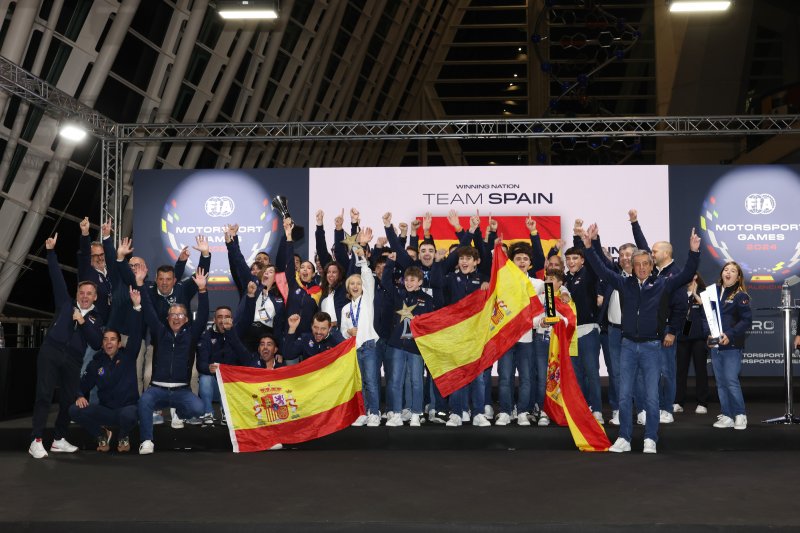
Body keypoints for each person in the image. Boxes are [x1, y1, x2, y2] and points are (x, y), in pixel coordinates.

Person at [582, 224, 700, 454]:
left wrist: (694, 252)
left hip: (652, 347)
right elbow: (601, 270)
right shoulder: (624, 283)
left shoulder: (662, 284)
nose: (642, 267)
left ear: (651, 265)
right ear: (632, 267)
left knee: (652, 397)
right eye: (638, 264)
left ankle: (650, 438)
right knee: (625, 395)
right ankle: (624, 438)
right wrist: (588, 247)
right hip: (627, 345)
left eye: (646, 263)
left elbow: (687, 274)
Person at [29, 233, 104, 459]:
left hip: (73, 359)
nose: (84, 296)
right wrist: (51, 252)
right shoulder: (65, 302)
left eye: (89, 294)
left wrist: (83, 322)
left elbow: (96, 343)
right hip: (51, 351)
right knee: (44, 395)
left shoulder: (96, 318)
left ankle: (58, 439)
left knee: (68, 400)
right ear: (77, 294)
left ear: (95, 297)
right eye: (81, 292)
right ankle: (36, 440)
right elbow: (56, 276)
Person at [136, 268, 209, 455]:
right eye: (173, 315)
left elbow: (202, 316)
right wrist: (140, 284)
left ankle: (179, 412)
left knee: (199, 408)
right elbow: (149, 310)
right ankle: (146, 440)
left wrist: (202, 290)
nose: (176, 318)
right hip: (158, 389)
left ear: (186, 319)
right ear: (167, 318)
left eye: (180, 315)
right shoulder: (160, 332)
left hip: (181, 391)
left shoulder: (191, 335)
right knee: (144, 401)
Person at [68, 287, 143, 453]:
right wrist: (79, 395)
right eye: (105, 340)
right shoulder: (95, 363)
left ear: (119, 343)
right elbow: (82, 384)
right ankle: (101, 434)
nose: (109, 343)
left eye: (113, 339)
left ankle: (123, 436)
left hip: (126, 409)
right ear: (102, 344)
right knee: (74, 410)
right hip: (106, 411)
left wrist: (137, 308)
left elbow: (136, 334)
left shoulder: (128, 356)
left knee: (130, 414)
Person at [381, 260, 435, 427]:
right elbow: (385, 281)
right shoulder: (399, 294)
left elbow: (430, 324)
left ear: (420, 282)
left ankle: (416, 414)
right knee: (395, 381)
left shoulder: (427, 300)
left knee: (417, 381)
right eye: (407, 279)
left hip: (416, 347)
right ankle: (397, 414)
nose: (409, 283)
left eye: (413, 280)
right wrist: (390, 263)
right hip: (397, 345)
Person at [340, 235, 383, 427]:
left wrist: (362, 257)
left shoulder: (367, 299)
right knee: (359, 383)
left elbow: (366, 276)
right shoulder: (345, 309)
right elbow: (342, 330)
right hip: (354, 349)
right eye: (352, 284)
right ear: (348, 288)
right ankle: (363, 412)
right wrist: (348, 332)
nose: (356, 286)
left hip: (369, 346)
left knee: (372, 381)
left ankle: (375, 412)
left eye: (358, 283)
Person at [195, 282, 253, 425]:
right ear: (214, 320)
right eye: (219, 317)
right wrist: (208, 368)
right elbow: (201, 363)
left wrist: (230, 333)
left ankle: (227, 412)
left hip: (232, 385)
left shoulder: (236, 333)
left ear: (231, 319)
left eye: (226, 316)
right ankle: (208, 413)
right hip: (213, 387)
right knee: (204, 378)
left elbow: (246, 359)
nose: (223, 320)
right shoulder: (206, 336)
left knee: (227, 377)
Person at [565, 219, 603, 424]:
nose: (571, 262)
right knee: (576, 373)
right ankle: (582, 408)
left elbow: (591, 259)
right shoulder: (564, 280)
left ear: (582, 261)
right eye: (568, 259)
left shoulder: (588, 274)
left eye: (575, 258)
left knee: (591, 372)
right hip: (570, 332)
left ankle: (596, 409)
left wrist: (578, 236)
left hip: (588, 330)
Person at [708, 261, 752, 430]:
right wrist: (708, 335)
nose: (728, 272)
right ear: (721, 273)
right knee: (720, 382)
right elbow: (706, 316)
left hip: (732, 345)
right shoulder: (713, 292)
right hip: (715, 346)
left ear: (738, 276)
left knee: (731, 380)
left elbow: (746, 321)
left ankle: (740, 415)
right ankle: (727, 415)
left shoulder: (741, 296)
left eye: (733, 271)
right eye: (726, 269)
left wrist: (729, 334)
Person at [675, 273, 710, 414]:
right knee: (680, 371)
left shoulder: (704, 293)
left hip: (699, 338)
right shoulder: (680, 293)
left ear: (695, 277)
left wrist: (695, 295)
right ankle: (678, 401)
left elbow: (709, 312)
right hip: (683, 337)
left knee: (701, 370)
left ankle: (702, 403)